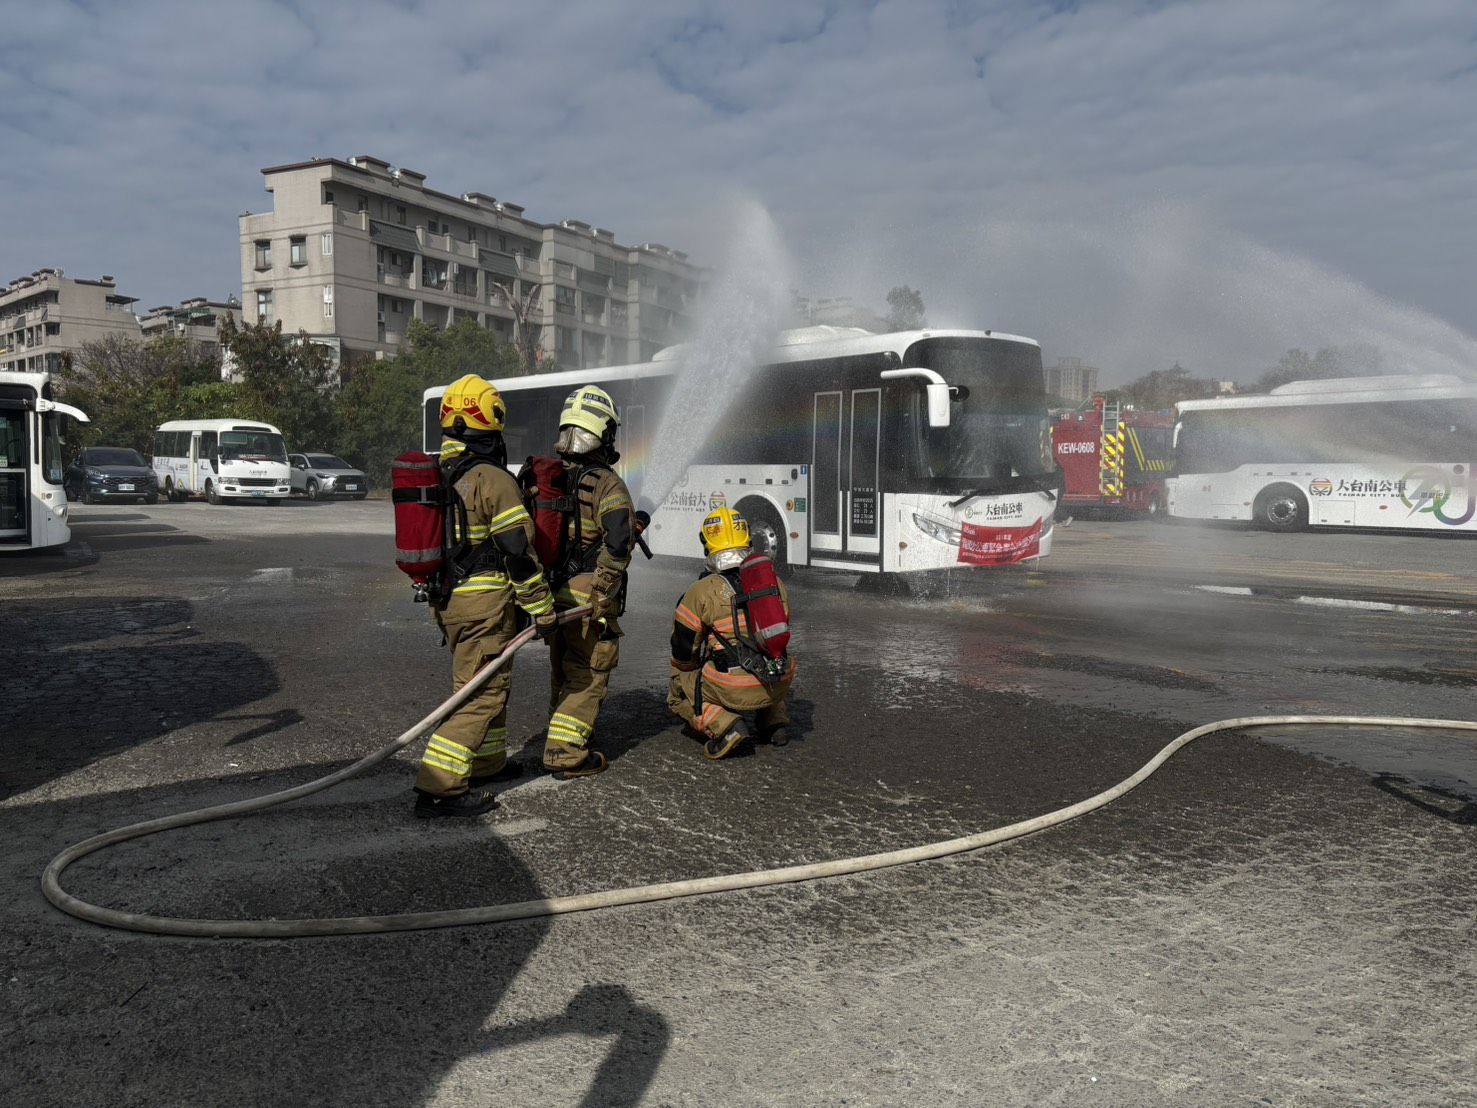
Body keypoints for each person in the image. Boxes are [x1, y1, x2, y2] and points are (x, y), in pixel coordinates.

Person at [414, 374, 557, 818]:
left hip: (451, 601)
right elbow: (516, 548)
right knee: (481, 695)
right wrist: (541, 607)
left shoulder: (442, 473)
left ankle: (487, 763)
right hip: (484, 606)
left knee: (484, 685)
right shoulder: (491, 478)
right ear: (489, 423)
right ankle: (439, 787)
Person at [540, 385, 635, 777]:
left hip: (554, 590)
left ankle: (557, 734)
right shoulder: (606, 483)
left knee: (563, 667)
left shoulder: (550, 478)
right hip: (586, 593)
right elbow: (618, 539)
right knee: (590, 671)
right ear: (604, 432)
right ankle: (564, 751)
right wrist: (602, 588)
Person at [667, 506, 796, 760]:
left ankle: (726, 726)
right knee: (766, 657)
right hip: (778, 681)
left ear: (708, 546)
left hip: (733, 687)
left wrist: (694, 674)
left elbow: (683, 650)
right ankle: (775, 722)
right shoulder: (774, 582)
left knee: (678, 688)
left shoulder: (702, 590)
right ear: (747, 541)